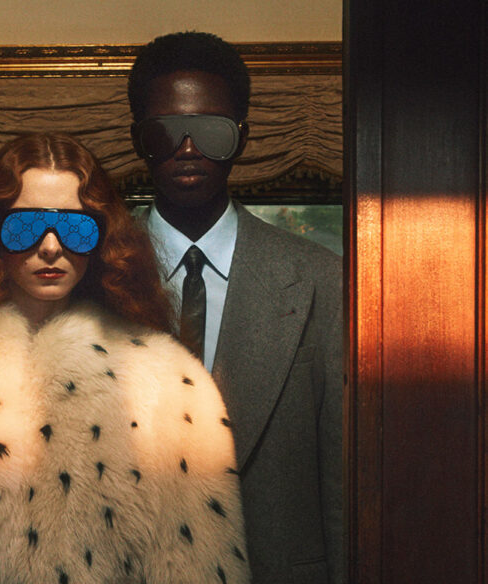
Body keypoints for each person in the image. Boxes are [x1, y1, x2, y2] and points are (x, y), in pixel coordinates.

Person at [0, 133, 251, 584]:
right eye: (25, 225)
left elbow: (196, 565)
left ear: (101, 237)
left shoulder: (166, 378)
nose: (51, 246)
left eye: (76, 226)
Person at [128, 33, 343, 584]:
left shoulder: (320, 278)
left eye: (212, 130)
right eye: (165, 131)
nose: (188, 148)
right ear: (139, 140)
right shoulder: (92, 274)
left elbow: (343, 477)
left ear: (242, 139)